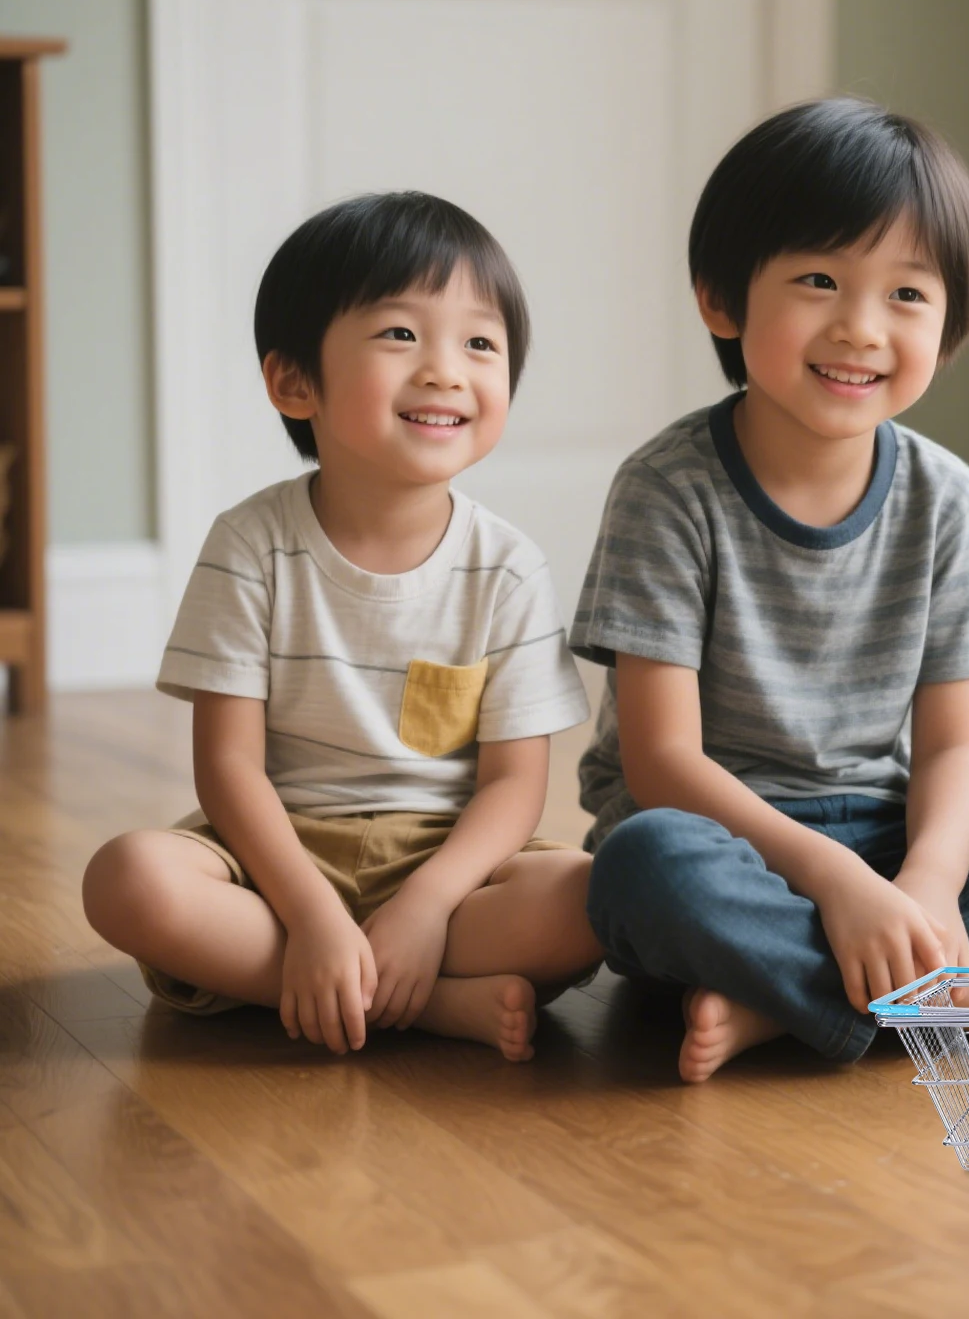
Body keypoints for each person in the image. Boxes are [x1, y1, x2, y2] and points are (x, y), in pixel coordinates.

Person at [571, 98, 969, 1082]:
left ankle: (794, 1002)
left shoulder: (943, 497)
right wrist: (832, 883)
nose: (860, 328)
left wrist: (927, 883)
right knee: (641, 870)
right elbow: (660, 763)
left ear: (950, 322)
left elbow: (955, 747)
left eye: (906, 295)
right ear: (720, 300)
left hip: (887, 828)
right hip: (726, 843)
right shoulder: (667, 489)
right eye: (819, 281)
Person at [83, 192, 601, 1061]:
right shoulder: (252, 544)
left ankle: (348, 982)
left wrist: (429, 905)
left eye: (479, 343)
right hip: (277, 852)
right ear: (295, 382)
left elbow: (515, 787)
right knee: (129, 881)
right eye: (401, 335)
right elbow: (229, 766)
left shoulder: (508, 566)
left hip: (447, 860)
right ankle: (424, 1003)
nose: (445, 370)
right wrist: (315, 915)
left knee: (593, 895)